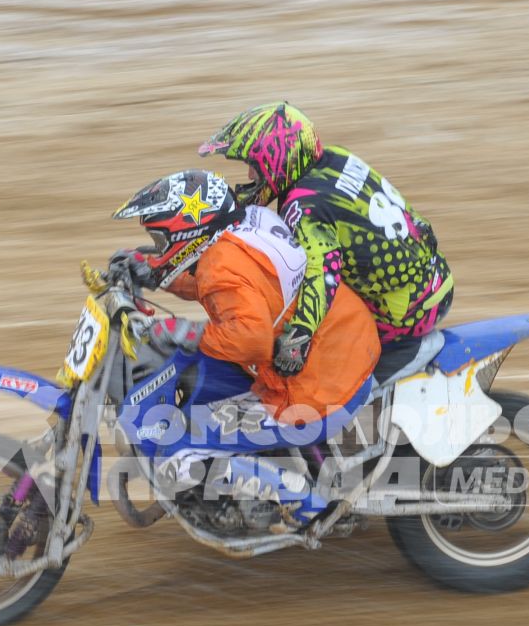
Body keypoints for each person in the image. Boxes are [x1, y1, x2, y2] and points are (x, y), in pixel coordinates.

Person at [197, 102, 452, 378]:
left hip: (407, 310)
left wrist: (301, 334)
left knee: (309, 357)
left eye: (253, 166)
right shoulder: (334, 158)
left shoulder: (305, 207)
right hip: (431, 277)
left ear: (277, 159)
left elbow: (323, 270)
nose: (249, 176)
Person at [110, 169, 379, 431]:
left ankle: (287, 480)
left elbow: (251, 339)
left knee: (183, 440)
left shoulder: (218, 265)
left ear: (186, 235)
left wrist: (177, 330)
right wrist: (153, 272)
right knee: (200, 373)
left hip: (319, 392)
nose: (158, 248)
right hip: (347, 348)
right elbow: (233, 288)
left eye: (159, 240)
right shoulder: (246, 224)